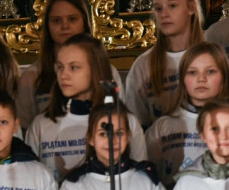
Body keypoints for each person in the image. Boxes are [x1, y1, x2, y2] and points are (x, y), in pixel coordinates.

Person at [26, 33, 147, 181]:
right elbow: (31, 179)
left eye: (74, 67)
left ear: (96, 69)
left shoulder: (127, 122)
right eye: (60, 67)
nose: (64, 75)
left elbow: (141, 180)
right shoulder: (41, 125)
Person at [146, 41, 229, 187]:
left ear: (224, 77)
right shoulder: (162, 127)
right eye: (192, 72)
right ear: (183, 79)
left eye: (210, 71)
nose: (201, 79)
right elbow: (149, 182)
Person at [14, 0, 121, 128]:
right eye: (57, 20)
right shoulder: (30, 77)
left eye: (72, 19)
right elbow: (24, 129)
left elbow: (120, 118)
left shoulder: (106, 71)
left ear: (84, 22)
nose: (65, 26)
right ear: (48, 26)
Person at [123, 0, 205, 128]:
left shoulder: (212, 57)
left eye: (172, 6)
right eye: (158, 8)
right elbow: (135, 124)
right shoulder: (143, 65)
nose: (164, 14)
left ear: (191, 8)